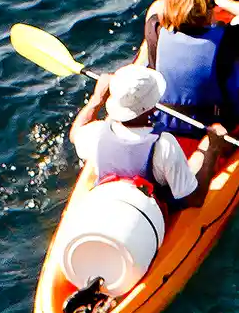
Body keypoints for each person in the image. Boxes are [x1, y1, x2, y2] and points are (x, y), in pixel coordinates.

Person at [74, 61, 228, 211]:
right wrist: (213, 149)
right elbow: (195, 199)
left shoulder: (96, 133)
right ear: (152, 105)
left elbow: (75, 133)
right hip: (152, 210)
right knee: (205, 146)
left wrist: (97, 99)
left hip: (113, 202)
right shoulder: (164, 144)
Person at [142, 0, 239, 134]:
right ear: (207, 9)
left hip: (166, 119)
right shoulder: (226, 38)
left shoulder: (154, 30)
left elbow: (158, 5)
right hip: (214, 124)